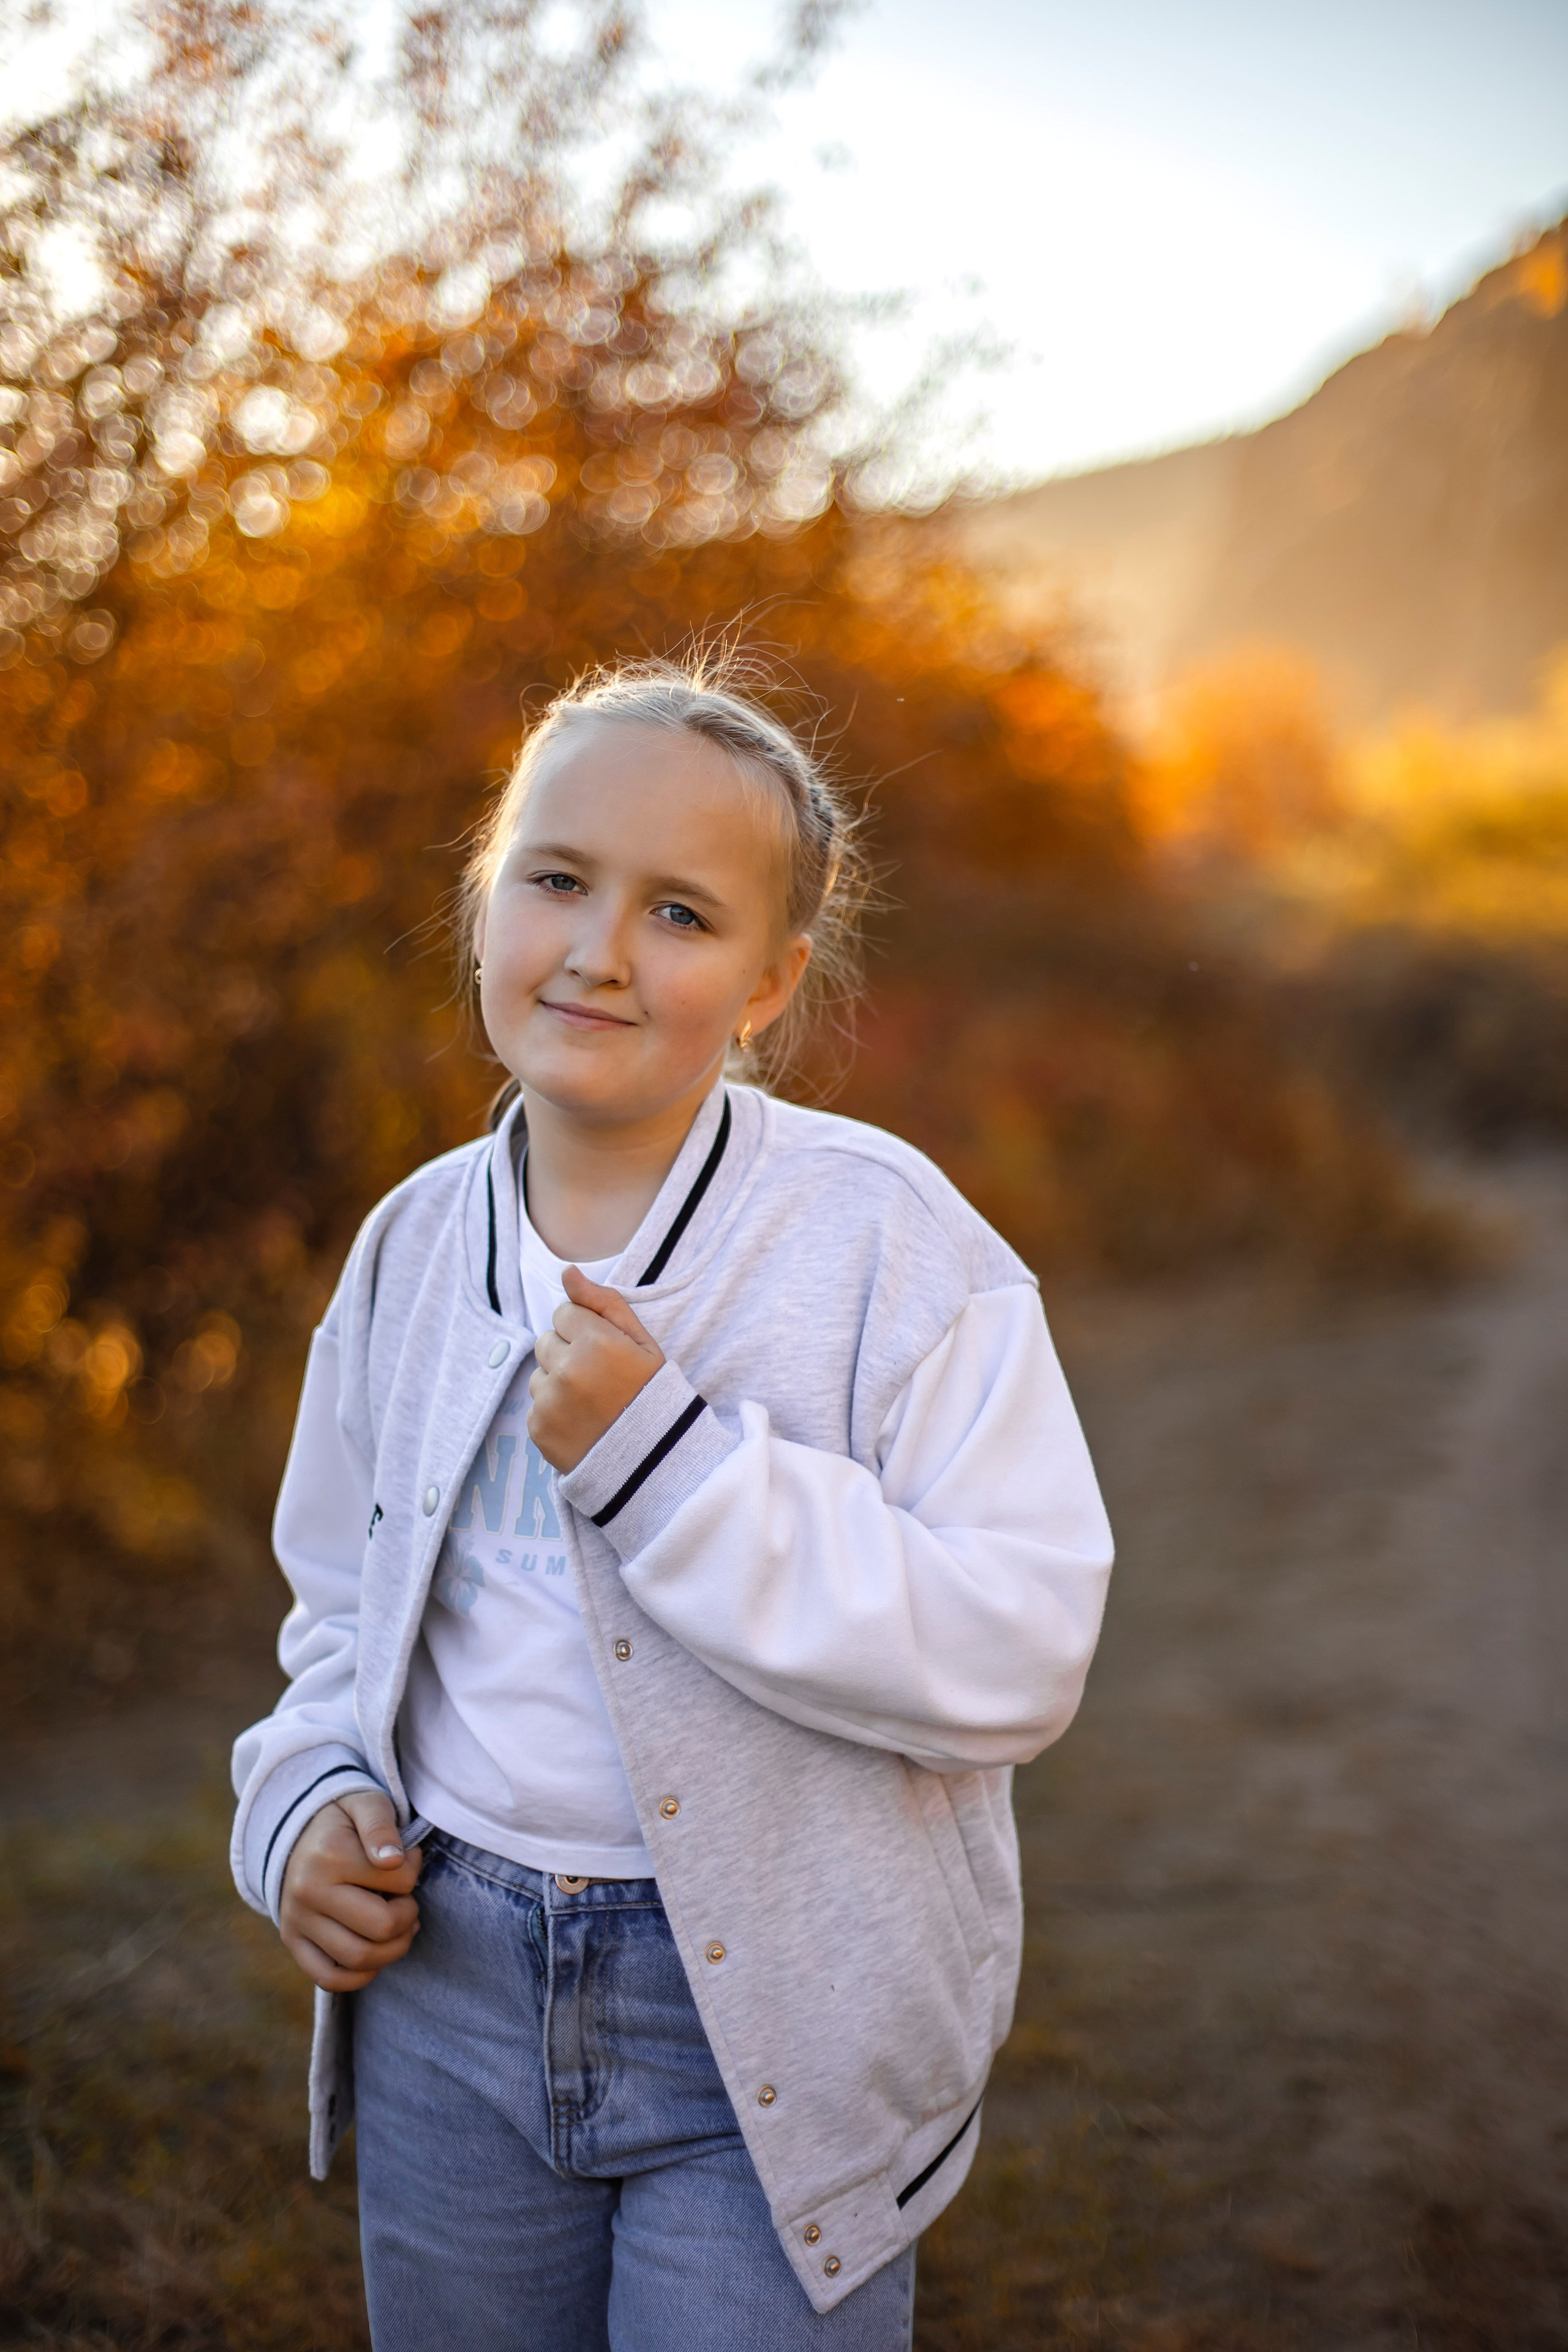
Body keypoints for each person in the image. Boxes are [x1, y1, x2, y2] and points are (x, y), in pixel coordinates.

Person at [229, 654, 1114, 2352]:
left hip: (777, 2023)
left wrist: (673, 1468)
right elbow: (337, 1606)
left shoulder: (885, 1247)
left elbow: (1023, 1650)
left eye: (682, 913)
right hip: (448, 2002)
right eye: (556, 879)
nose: (600, 949)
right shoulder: (416, 1247)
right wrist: (309, 1795)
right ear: (487, 894)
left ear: (773, 980)